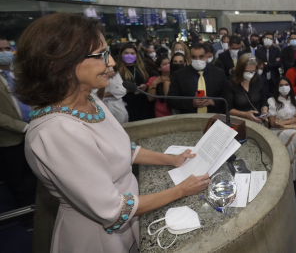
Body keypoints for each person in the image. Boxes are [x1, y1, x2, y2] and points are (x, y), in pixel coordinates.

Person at [15, 14, 209, 253]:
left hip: (130, 220)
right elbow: (114, 210)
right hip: (98, 238)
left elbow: (120, 149)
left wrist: (172, 159)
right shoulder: (55, 132)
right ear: (60, 65)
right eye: (100, 56)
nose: (112, 64)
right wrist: (182, 190)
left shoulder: (91, 100)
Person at [0, 36, 35, 209]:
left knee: (38, 174)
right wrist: (23, 127)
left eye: (7, 49)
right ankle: (27, 216)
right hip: (10, 139)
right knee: (17, 180)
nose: (5, 53)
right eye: (0, 50)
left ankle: (41, 210)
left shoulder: (20, 74)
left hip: (35, 131)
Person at [167, 43, 227, 114]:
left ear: (206, 57)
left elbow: (226, 96)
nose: (197, 60)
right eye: (194, 57)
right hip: (189, 118)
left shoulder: (218, 73)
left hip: (214, 116)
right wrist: (191, 103)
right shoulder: (179, 74)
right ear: (189, 57)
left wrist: (213, 101)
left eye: (201, 57)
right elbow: (171, 100)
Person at [223, 54, 268, 124]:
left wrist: (264, 112)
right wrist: (244, 114)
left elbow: (264, 101)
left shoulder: (259, 80)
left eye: (253, 71)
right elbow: (228, 108)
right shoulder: (230, 83)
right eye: (247, 71)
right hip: (238, 122)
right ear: (240, 70)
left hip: (257, 121)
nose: (250, 74)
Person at [117, 43, 155, 121]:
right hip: (127, 104)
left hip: (144, 104)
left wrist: (146, 86)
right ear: (121, 54)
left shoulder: (143, 67)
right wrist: (127, 90)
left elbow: (150, 80)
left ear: (136, 55)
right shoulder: (117, 69)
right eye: (126, 53)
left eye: (132, 53)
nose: (129, 55)